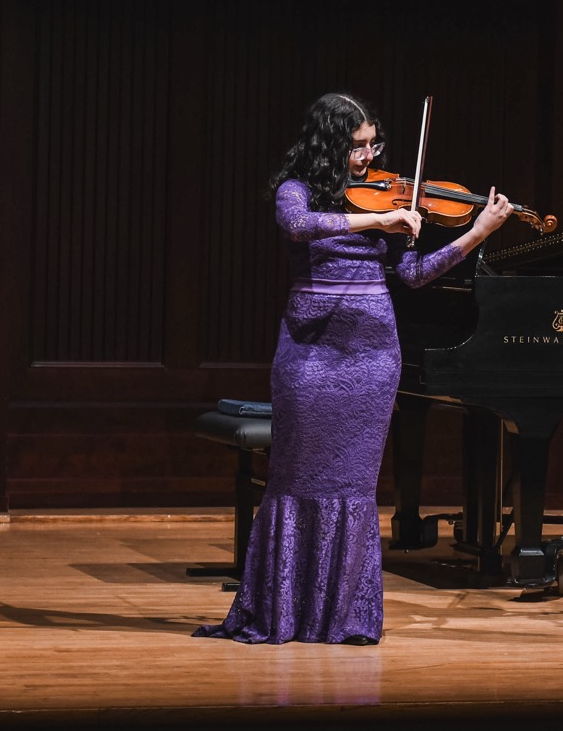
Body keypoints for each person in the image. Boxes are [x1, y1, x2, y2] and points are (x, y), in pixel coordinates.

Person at [195, 92, 513, 645]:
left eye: (373, 145)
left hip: (372, 357)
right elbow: (298, 226)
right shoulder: (296, 191)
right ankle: (282, 611)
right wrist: (379, 217)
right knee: (295, 477)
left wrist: (477, 231)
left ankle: (342, 616)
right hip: (309, 355)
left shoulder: (384, 202)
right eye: (356, 146)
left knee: (354, 486)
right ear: (329, 144)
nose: (367, 157)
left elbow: (414, 274)